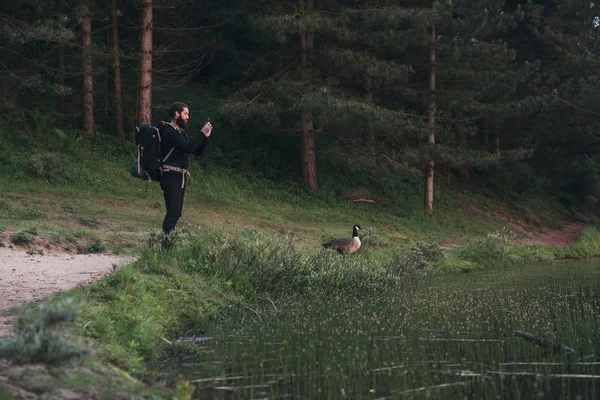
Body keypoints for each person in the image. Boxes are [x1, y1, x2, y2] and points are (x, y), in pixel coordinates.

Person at [159, 102, 212, 247]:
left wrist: (205, 137)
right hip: (171, 176)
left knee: (175, 213)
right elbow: (188, 148)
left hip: (179, 177)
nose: (188, 117)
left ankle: (166, 245)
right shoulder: (169, 131)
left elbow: (196, 151)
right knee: (173, 213)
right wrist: (201, 134)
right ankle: (165, 247)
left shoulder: (180, 133)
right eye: (185, 114)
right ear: (177, 114)